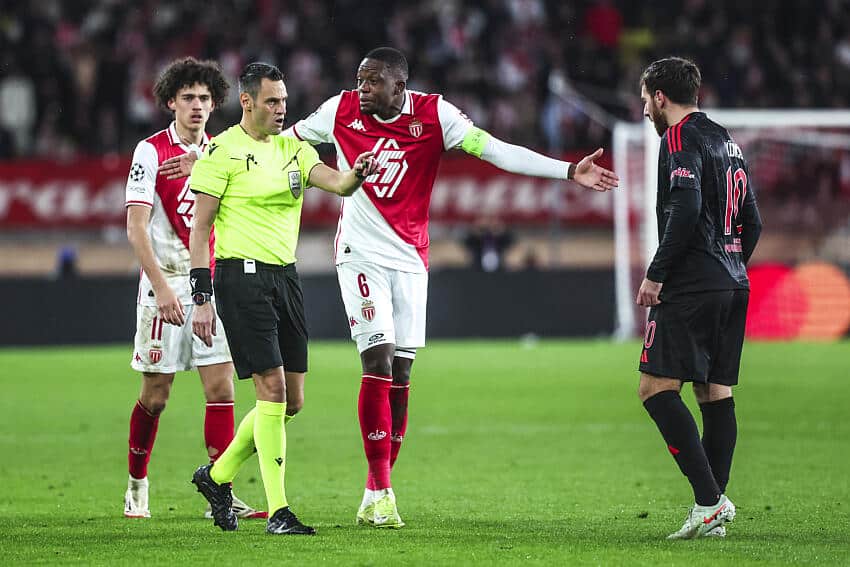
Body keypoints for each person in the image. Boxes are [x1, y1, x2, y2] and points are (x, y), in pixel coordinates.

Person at [160, 47, 618, 529]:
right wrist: (203, 156)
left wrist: (568, 170)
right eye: (359, 80)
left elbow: (497, 150)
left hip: (411, 257)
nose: (361, 90)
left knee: (398, 375)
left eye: (371, 82)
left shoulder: (435, 115)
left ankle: (348, 489)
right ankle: (379, 491)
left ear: (399, 86)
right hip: (357, 253)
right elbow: (270, 143)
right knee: (374, 359)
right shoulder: (339, 110)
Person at [186, 62, 378, 535]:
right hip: (240, 278)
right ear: (247, 101)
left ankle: (216, 476)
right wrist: (202, 293)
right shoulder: (222, 151)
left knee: (292, 401)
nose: (281, 109)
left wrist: (357, 173)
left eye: (285, 102)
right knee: (270, 390)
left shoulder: (296, 149)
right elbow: (201, 227)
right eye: (272, 101)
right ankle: (279, 512)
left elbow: (339, 185)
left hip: (285, 279)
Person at [123, 56, 264, 520]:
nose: (198, 106)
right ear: (170, 102)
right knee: (156, 395)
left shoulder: (222, 151)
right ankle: (137, 483)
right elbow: (136, 229)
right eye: (188, 98)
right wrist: (161, 288)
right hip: (163, 281)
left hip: (210, 281)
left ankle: (218, 492)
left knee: (221, 390)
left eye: (205, 98)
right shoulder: (150, 152)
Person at [635, 57, 762, 539]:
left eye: (646, 98)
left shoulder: (679, 137)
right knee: (714, 390)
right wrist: (730, 265)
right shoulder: (727, 140)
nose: (644, 108)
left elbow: (685, 208)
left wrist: (657, 274)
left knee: (655, 389)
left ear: (661, 97)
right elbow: (754, 221)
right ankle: (713, 506)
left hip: (694, 283)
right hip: (733, 282)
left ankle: (708, 501)